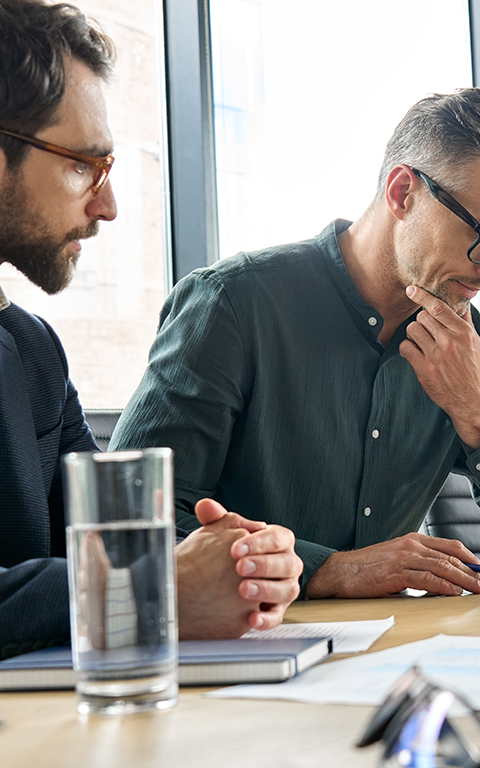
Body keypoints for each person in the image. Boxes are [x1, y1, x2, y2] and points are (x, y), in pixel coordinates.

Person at [111, 87, 480, 598]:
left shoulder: (460, 339)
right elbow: (128, 519)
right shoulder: (233, 305)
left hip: (395, 654)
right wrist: (329, 569)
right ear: (403, 192)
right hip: (247, 653)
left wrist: (478, 412)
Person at [0, 0, 302, 659]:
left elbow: (110, 544)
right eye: (83, 164)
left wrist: (239, 564)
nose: (107, 206)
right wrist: (153, 590)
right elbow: (130, 580)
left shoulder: (32, 352)